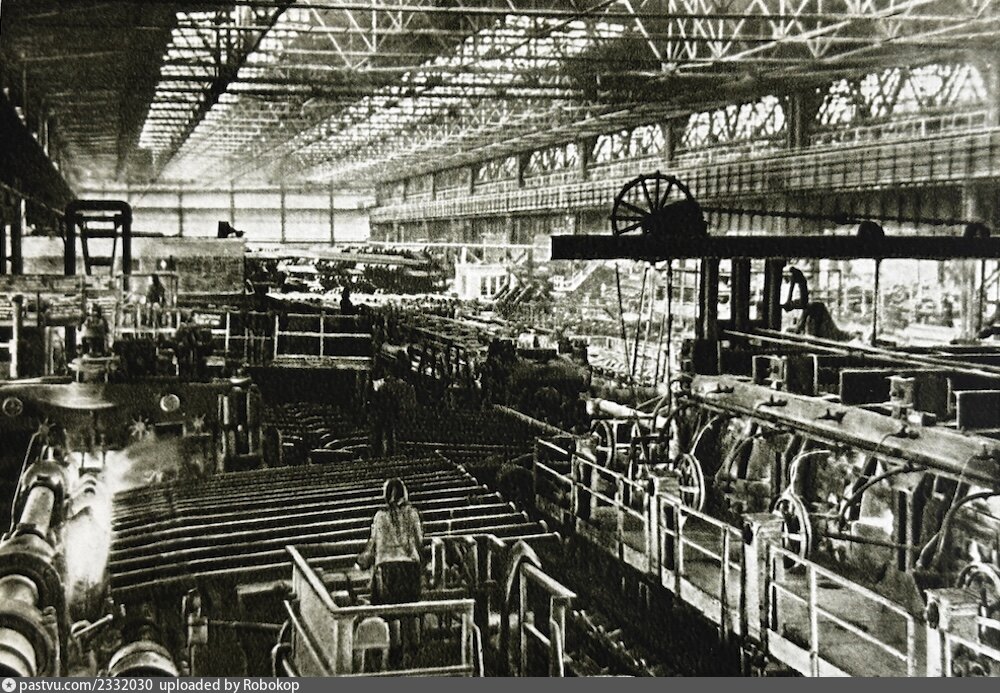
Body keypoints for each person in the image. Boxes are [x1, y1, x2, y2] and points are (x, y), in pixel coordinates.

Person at [356, 478, 424, 667]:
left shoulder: (379, 516)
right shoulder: (413, 513)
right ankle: (414, 653)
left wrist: (361, 561)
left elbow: (373, 545)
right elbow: (419, 540)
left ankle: (395, 653)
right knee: (410, 611)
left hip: (387, 569)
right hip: (410, 568)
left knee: (391, 613)